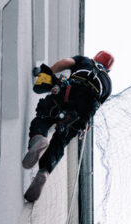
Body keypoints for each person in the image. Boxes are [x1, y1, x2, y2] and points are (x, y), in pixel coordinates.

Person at [22, 50, 114, 202]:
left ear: (96, 57)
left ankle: (38, 139)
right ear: (108, 70)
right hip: (80, 115)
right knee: (60, 140)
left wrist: (46, 72)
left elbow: (64, 63)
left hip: (67, 94)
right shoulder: (108, 84)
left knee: (44, 118)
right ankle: (44, 171)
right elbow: (94, 107)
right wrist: (83, 125)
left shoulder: (85, 61)